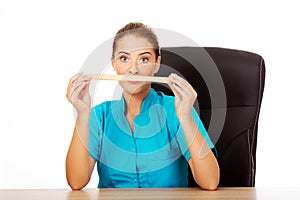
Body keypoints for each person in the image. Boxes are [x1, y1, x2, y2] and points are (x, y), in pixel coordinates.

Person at [65, 22, 220, 190]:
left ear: (157, 63)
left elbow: (210, 182)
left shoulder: (176, 109)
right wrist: (81, 115)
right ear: (114, 64)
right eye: (124, 59)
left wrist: (185, 118)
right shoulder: (98, 116)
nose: (133, 70)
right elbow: (76, 182)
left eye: (144, 59)